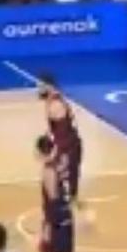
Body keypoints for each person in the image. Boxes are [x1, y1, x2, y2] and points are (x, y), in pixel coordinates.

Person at [34, 134, 89, 252]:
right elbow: (68, 191)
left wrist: (47, 226)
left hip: (56, 220)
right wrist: (76, 203)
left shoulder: (48, 171)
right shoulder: (61, 164)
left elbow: (52, 199)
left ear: (40, 152)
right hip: (67, 217)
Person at [37, 74, 90, 222]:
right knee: (67, 181)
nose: (38, 89)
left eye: (41, 86)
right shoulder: (53, 101)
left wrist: (55, 153)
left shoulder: (56, 105)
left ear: (49, 86)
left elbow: (62, 132)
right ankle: (71, 209)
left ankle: (64, 215)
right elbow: (55, 130)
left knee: (58, 179)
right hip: (69, 145)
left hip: (69, 146)